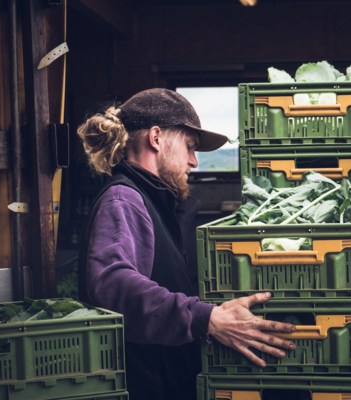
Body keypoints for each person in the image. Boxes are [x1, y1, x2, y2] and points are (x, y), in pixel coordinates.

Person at [77, 89, 296, 400]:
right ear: (156, 138)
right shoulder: (123, 199)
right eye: (190, 147)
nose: (194, 161)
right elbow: (112, 286)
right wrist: (206, 318)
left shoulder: (152, 201)